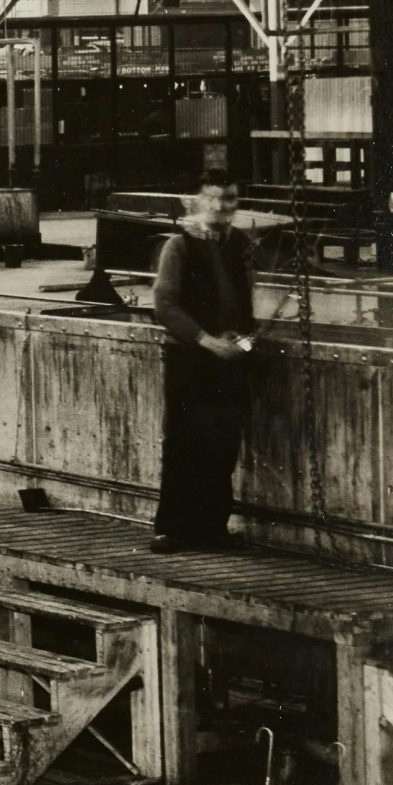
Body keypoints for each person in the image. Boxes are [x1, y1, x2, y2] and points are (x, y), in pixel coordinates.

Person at [149, 172, 259, 553]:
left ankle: (213, 528)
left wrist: (239, 339)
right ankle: (173, 529)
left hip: (227, 358)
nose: (220, 206)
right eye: (212, 198)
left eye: (228, 199)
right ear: (196, 201)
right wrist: (208, 341)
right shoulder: (178, 247)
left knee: (222, 444)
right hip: (188, 358)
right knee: (184, 440)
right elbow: (164, 305)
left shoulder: (239, 244)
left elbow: (245, 305)